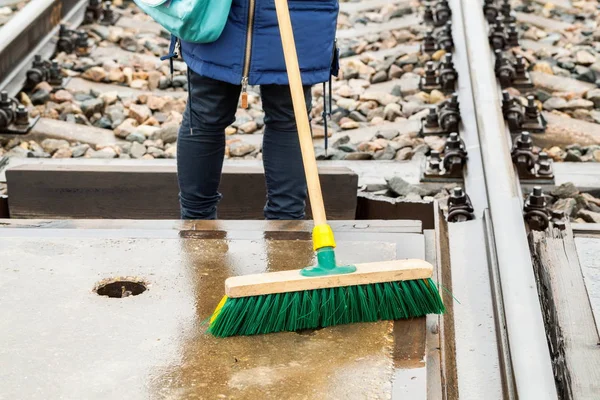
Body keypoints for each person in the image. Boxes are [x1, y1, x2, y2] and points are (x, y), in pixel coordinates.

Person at [174, 0, 339, 220]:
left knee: (209, 112)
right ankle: (199, 223)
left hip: (291, 12)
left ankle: (284, 227)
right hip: (222, 12)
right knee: (209, 111)